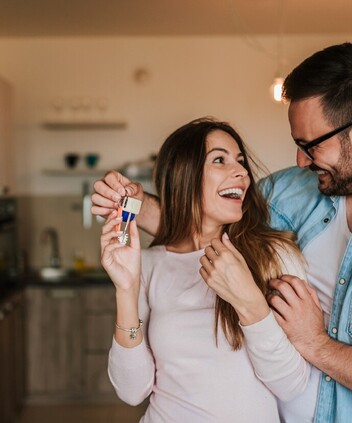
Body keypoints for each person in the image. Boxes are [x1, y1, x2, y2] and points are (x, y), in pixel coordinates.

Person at [93, 43, 352, 422]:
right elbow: (206, 223)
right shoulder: (295, 191)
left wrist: (316, 343)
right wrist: (134, 204)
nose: (300, 161)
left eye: (310, 146)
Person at [101, 117, 311, 423]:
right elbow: (132, 391)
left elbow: (292, 385)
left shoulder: (274, 256)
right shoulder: (149, 264)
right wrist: (126, 290)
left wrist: (251, 304)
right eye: (220, 160)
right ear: (184, 175)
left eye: (240, 161)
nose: (241, 172)